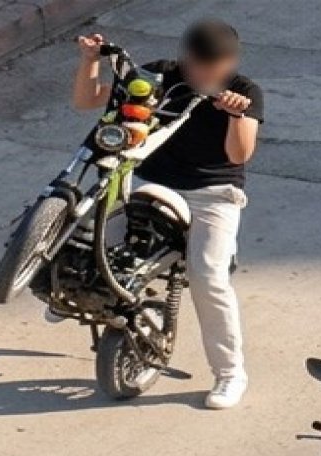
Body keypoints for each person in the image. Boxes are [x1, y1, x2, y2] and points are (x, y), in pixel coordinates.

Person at [71, 19, 264, 409]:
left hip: (214, 195)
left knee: (208, 277)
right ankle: (66, 295)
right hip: (150, 182)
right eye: (203, 68)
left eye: (220, 68)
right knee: (93, 237)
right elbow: (88, 100)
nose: (210, 76)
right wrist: (90, 61)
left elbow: (239, 155)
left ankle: (230, 373)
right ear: (186, 60)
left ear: (232, 62)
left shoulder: (245, 92)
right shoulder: (159, 75)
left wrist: (235, 115)